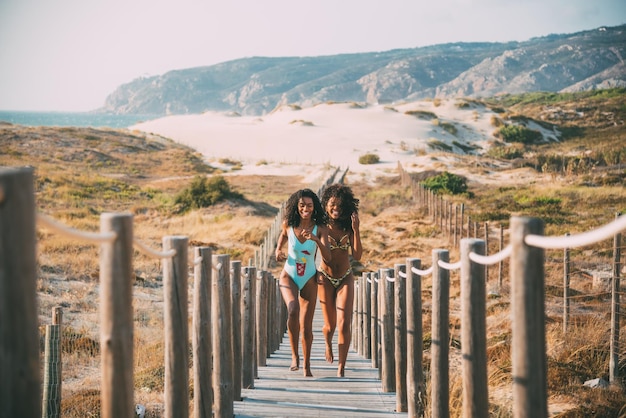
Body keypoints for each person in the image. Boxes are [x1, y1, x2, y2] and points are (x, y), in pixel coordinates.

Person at [275, 188, 331, 377]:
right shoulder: (288, 224)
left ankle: (306, 366)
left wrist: (316, 239)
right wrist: (277, 250)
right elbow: (283, 235)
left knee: (306, 327)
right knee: (292, 310)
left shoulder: (321, 228)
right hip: (289, 275)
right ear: (296, 207)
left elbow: (328, 256)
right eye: (301, 205)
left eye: (309, 205)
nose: (305, 208)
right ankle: (294, 356)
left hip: (309, 277)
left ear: (314, 207)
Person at [317, 183, 362, 377]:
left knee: (344, 323)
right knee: (330, 325)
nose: (336, 209)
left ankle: (341, 366)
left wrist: (356, 229)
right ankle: (328, 344)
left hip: (345, 277)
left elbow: (358, 256)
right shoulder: (320, 227)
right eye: (332, 205)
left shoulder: (349, 228)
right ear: (326, 204)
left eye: (340, 206)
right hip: (324, 277)